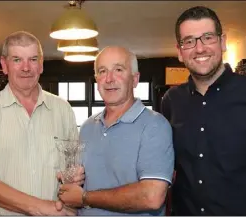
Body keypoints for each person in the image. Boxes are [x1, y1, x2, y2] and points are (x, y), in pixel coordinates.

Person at [0, 31, 83, 216]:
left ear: (41, 65)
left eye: (33, 59)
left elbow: (72, 169)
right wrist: (42, 207)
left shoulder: (63, 109)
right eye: (17, 59)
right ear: (5, 65)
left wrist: (75, 176)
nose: (26, 68)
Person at [58, 46, 175, 216]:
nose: (109, 79)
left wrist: (84, 197)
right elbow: (80, 187)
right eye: (102, 71)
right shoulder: (87, 127)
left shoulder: (155, 126)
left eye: (118, 70)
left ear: (135, 79)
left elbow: (152, 196)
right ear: (97, 80)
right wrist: (75, 181)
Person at [161, 6, 246, 215]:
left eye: (208, 37)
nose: (199, 49)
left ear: (223, 42)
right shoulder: (171, 101)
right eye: (189, 41)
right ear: (180, 51)